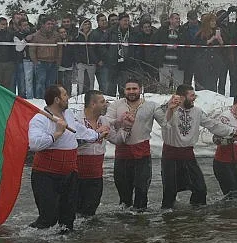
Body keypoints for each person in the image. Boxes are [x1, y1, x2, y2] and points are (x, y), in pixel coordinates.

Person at [27, 84, 107, 230]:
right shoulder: (40, 119)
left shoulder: (68, 114)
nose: (68, 97)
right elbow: (34, 144)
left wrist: (96, 135)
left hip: (69, 174)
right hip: (46, 175)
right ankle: (31, 238)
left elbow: (78, 129)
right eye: (65, 95)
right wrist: (56, 134)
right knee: (48, 218)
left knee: (68, 220)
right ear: (57, 99)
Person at [156, 85, 237, 209]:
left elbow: (213, 124)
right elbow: (165, 123)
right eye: (192, 96)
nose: (194, 98)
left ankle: (196, 214)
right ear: (182, 97)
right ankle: (169, 217)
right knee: (170, 192)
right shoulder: (166, 109)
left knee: (200, 189)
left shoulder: (197, 112)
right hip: (170, 156)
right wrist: (170, 108)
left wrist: (232, 131)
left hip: (188, 155)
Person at [105, 79, 159, 210]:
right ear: (124, 90)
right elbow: (107, 122)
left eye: (134, 89)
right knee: (124, 197)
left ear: (140, 89)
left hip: (142, 155)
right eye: (128, 89)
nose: (131, 92)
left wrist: (171, 110)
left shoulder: (151, 106)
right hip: (122, 154)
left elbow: (166, 122)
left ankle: (140, 219)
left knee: (141, 193)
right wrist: (120, 121)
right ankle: (125, 220)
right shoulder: (116, 105)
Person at [76, 89, 110, 217]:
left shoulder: (104, 121)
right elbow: (72, 143)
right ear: (93, 104)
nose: (106, 104)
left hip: (96, 176)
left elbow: (116, 139)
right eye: (102, 102)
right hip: (77, 176)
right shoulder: (76, 120)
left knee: (90, 214)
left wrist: (126, 127)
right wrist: (96, 134)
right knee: (75, 213)